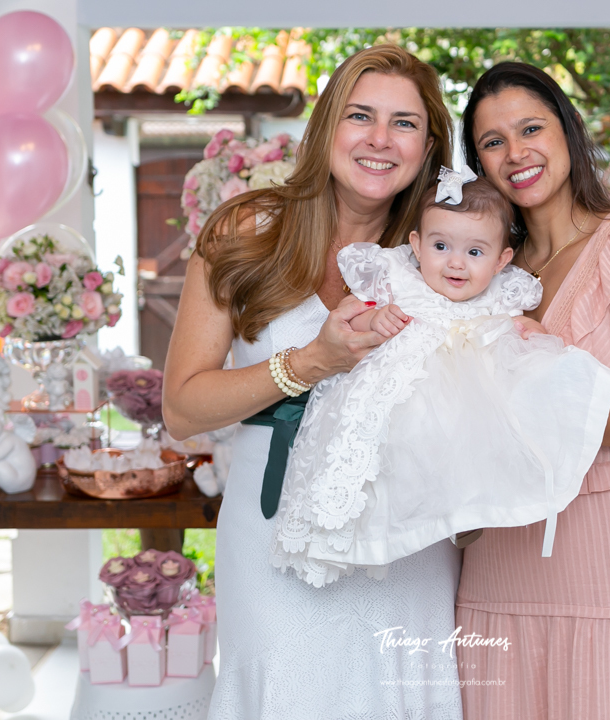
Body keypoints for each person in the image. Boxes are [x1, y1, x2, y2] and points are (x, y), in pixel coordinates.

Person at [162, 46, 463, 719]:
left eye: (405, 123)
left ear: (429, 145)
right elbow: (182, 409)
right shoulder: (249, 232)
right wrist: (306, 364)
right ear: (326, 125)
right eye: (361, 115)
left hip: (404, 545)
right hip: (272, 542)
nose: (380, 140)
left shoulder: (445, 254)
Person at [455, 62, 610, 719]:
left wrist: (511, 411)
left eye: (530, 128)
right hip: (498, 565)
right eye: (492, 142)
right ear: (477, 164)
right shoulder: (482, 273)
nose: (516, 153)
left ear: (567, 131)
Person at [271, 173, 610, 587]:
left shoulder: (501, 295)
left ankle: (469, 512)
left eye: (474, 251)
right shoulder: (401, 280)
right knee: (386, 454)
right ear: (416, 245)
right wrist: (374, 317)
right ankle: (370, 528)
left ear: (502, 260)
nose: (455, 262)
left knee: (487, 436)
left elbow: (518, 331)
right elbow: (355, 320)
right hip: (403, 400)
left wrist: (535, 334)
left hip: (467, 409)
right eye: (440, 247)